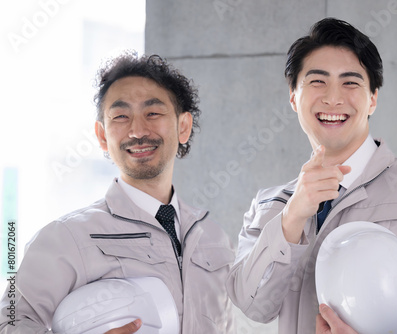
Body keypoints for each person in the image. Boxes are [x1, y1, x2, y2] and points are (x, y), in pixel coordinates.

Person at [226, 17, 397, 334]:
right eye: (317, 81)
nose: (333, 98)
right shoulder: (269, 205)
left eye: (350, 82)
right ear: (294, 97)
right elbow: (252, 304)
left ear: (373, 98)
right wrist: (293, 215)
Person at [0, 53, 235, 333]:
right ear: (102, 135)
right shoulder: (66, 237)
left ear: (183, 127)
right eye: (121, 116)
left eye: (153, 113)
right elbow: (9, 322)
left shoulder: (213, 238)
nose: (137, 131)